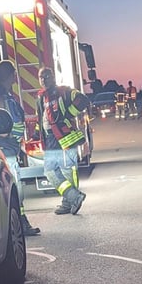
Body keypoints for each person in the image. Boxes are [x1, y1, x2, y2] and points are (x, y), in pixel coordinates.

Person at [0, 60, 40, 235]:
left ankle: (20, 222)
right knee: (14, 190)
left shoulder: (4, 94)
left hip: (11, 149)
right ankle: (20, 223)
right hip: (5, 150)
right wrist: (6, 136)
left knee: (16, 189)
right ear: (11, 75)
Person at [36, 66, 91, 215]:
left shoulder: (64, 92)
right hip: (50, 139)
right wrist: (37, 134)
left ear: (53, 77)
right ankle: (72, 198)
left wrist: (67, 114)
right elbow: (41, 119)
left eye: (47, 76)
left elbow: (83, 100)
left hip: (65, 138)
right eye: (41, 77)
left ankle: (70, 201)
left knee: (66, 171)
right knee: (51, 172)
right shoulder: (41, 97)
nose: (44, 80)